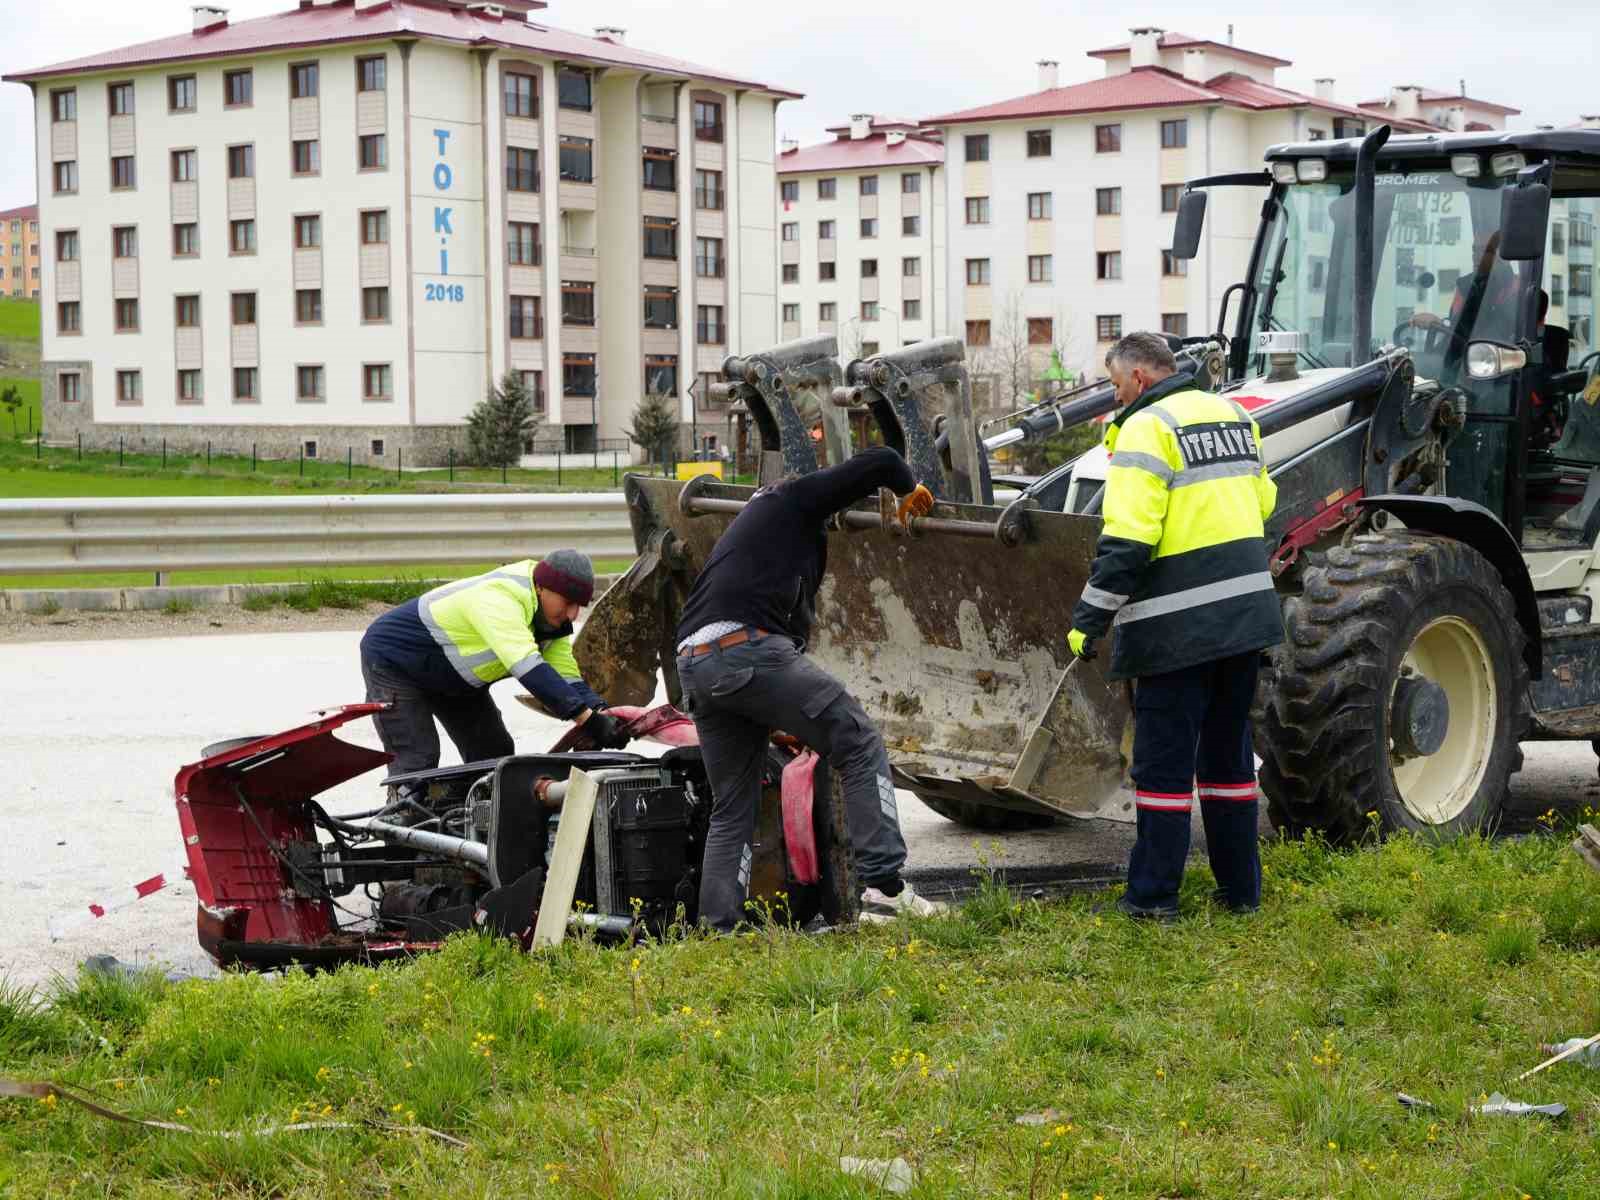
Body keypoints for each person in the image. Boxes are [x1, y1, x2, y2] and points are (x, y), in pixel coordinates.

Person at [674, 447, 946, 929]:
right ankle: (885, 890)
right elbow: (882, 459)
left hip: (698, 665)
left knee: (732, 807)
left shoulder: (765, 540)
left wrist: (782, 717)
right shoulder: (793, 497)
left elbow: (791, 641)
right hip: (746, 649)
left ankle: (717, 927)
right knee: (858, 740)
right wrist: (909, 491)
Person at [1066, 332, 1284, 920]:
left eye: (1115, 387)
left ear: (1138, 378)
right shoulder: (1235, 416)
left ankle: (1152, 899)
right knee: (1228, 763)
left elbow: (1130, 541)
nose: (1115, 399)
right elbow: (1263, 501)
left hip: (1178, 627)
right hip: (1245, 619)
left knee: (1163, 769)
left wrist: (1089, 620)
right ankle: (1241, 894)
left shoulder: (1147, 428)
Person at [360, 550, 630, 799]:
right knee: (417, 762)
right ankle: (401, 837)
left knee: (493, 754)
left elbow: (568, 680)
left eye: (580, 605)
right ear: (541, 588)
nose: (573, 614)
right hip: (395, 662)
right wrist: (587, 720)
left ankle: (465, 824)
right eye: (568, 603)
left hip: (452, 679)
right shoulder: (500, 598)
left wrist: (603, 713)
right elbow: (530, 670)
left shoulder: (551, 622)